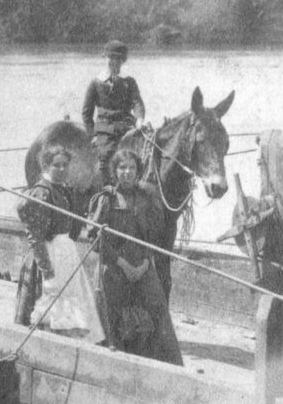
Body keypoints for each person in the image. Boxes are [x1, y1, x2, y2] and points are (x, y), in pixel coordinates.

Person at [87, 149, 182, 365]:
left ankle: (167, 366)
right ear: (114, 171)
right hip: (113, 267)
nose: (127, 172)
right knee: (109, 317)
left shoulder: (147, 199)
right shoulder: (106, 199)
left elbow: (153, 237)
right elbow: (94, 239)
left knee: (158, 309)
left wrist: (145, 263)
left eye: (132, 168)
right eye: (122, 168)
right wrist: (122, 264)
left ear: (138, 171)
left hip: (142, 266)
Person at [14, 145, 104, 341]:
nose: (62, 169)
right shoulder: (42, 192)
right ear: (46, 166)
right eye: (57, 165)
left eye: (65, 165)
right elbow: (35, 235)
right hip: (48, 253)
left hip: (65, 252)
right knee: (50, 301)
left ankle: (67, 339)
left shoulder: (63, 190)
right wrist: (46, 268)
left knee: (71, 301)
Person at [81, 39, 146, 185]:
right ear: (105, 58)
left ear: (122, 61)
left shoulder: (129, 82)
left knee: (145, 152)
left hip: (127, 127)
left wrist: (140, 119)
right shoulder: (96, 83)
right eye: (111, 58)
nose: (114, 62)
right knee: (105, 157)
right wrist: (92, 135)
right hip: (105, 131)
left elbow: (137, 103)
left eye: (118, 59)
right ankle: (106, 191)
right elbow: (86, 113)